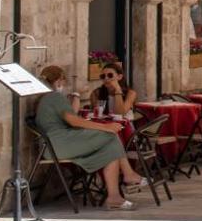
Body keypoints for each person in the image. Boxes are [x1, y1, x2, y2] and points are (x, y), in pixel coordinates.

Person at [34, 65, 148, 210]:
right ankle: (128, 175)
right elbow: (73, 121)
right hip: (59, 144)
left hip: (54, 145)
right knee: (110, 135)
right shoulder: (55, 97)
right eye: (63, 80)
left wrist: (74, 100)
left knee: (109, 148)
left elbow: (71, 119)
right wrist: (106, 127)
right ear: (58, 81)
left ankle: (115, 197)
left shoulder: (45, 98)